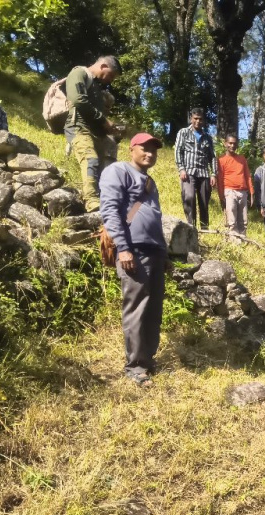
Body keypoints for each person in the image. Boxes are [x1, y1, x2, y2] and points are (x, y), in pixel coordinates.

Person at [100, 133, 168, 387]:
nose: (150, 153)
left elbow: (155, 218)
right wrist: (123, 248)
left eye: (154, 150)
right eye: (144, 148)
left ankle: (148, 361)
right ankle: (135, 367)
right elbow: (109, 210)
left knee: (153, 310)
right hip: (133, 250)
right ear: (132, 149)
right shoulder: (118, 171)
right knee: (137, 308)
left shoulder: (150, 181)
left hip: (154, 250)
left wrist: (164, 253)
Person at [64, 56, 123, 211]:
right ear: (103, 66)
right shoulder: (79, 73)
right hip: (79, 128)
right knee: (91, 159)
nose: (110, 80)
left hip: (97, 133)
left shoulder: (97, 87)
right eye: (111, 75)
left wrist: (109, 127)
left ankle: (105, 202)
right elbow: (78, 100)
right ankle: (91, 201)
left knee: (103, 168)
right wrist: (104, 120)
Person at [174, 108, 218, 230]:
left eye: (200, 119)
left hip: (204, 174)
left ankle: (204, 229)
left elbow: (212, 157)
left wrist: (213, 174)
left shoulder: (208, 137)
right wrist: (181, 169)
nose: (198, 121)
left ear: (204, 121)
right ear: (191, 119)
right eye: (195, 119)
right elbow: (178, 151)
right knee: (189, 197)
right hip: (188, 172)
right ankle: (191, 228)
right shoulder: (183, 132)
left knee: (204, 203)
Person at [217, 134, 254, 241]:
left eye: (234, 143)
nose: (232, 145)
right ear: (225, 144)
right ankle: (233, 241)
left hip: (243, 192)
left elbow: (247, 176)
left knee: (243, 220)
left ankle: (243, 240)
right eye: (230, 143)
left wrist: (251, 192)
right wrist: (221, 196)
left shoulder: (242, 159)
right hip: (229, 191)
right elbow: (219, 179)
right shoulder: (221, 160)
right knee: (232, 219)